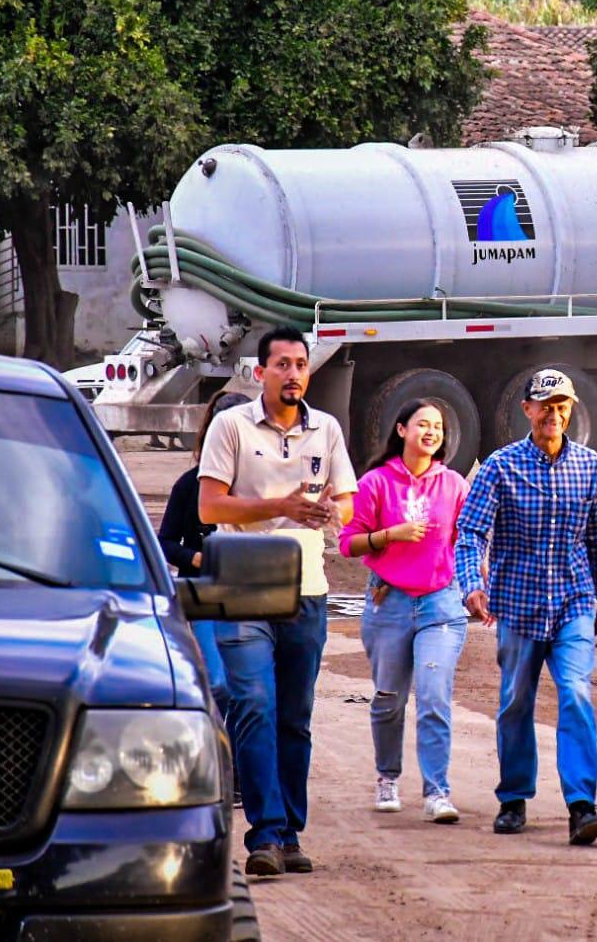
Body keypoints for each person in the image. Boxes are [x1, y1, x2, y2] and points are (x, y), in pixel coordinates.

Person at [198, 326, 357, 878]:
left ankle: (289, 833)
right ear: (260, 372)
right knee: (254, 707)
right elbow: (210, 507)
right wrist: (280, 505)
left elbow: (347, 501)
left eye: (300, 364)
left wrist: (338, 515)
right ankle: (264, 834)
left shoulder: (327, 429)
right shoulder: (230, 426)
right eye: (282, 364)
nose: (293, 373)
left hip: (306, 589)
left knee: (294, 717)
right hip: (241, 587)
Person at [456, 368, 597, 846]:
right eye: (544, 404)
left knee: (576, 693)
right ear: (526, 409)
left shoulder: (590, 467)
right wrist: (471, 584)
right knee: (515, 702)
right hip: (519, 606)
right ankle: (513, 797)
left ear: (571, 411)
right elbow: (470, 532)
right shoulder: (500, 467)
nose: (553, 413)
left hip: (573, 602)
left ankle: (582, 805)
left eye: (561, 404)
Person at [339, 400, 470, 825]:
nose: (431, 432)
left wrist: (478, 586)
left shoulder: (453, 484)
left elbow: (469, 542)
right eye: (422, 424)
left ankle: (438, 792)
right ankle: (387, 778)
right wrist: (387, 536)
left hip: (441, 604)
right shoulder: (376, 482)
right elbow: (348, 543)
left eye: (438, 426)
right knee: (389, 698)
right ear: (401, 430)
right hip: (388, 601)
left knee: (433, 696)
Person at [158, 390, 252, 716]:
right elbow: (165, 541)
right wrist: (196, 558)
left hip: (253, 596)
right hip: (204, 594)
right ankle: (218, 749)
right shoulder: (189, 484)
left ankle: (240, 757)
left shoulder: (264, 486)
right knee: (219, 684)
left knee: (251, 689)